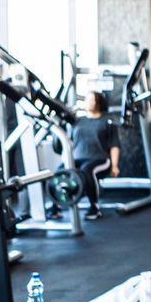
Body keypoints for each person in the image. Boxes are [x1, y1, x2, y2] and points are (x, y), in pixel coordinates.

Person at [50, 91, 120, 221]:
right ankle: (55, 207)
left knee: (88, 171)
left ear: (98, 103)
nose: (87, 102)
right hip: (77, 158)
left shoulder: (107, 121)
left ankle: (94, 207)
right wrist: (65, 159)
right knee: (60, 172)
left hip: (100, 159)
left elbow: (114, 145)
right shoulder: (78, 120)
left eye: (91, 100)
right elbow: (68, 142)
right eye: (86, 99)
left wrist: (114, 165)